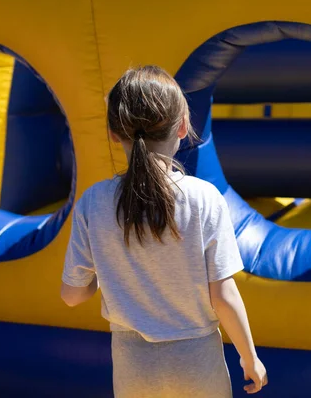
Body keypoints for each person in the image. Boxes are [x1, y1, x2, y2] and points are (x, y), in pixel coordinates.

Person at [60, 66, 267, 397]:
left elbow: (72, 295)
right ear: (182, 127)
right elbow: (223, 296)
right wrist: (249, 357)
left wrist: (106, 270)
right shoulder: (204, 199)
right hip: (197, 364)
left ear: (114, 133)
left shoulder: (93, 203)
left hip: (133, 368)